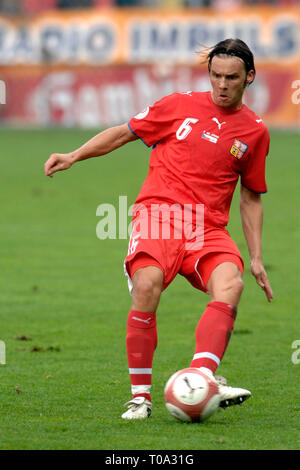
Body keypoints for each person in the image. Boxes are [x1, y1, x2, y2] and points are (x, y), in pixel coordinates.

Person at [44, 38, 273, 420]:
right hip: (158, 217)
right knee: (147, 285)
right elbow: (123, 132)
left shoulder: (255, 133)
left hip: (207, 228)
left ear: (249, 77)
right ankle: (140, 398)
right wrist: (74, 155)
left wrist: (257, 257)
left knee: (230, 284)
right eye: (215, 75)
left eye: (231, 77)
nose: (221, 84)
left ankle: (201, 376)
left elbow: (251, 196)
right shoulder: (178, 105)